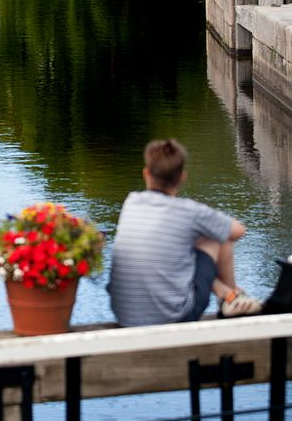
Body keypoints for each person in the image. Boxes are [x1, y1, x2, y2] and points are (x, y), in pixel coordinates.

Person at [107, 138, 262, 326]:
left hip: (125, 316)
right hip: (174, 318)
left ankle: (227, 294)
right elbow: (238, 231)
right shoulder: (188, 211)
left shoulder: (131, 202)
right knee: (218, 236)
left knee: (177, 247)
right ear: (182, 177)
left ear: (146, 173)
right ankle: (231, 297)